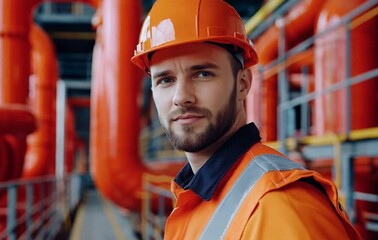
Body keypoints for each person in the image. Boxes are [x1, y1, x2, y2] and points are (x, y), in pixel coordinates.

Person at [131, 0, 361, 239]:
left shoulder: (281, 207)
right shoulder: (194, 195)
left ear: (243, 84)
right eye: (165, 80)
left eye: (202, 74)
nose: (181, 97)